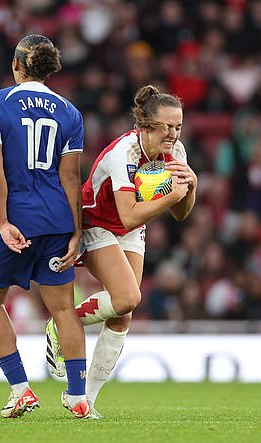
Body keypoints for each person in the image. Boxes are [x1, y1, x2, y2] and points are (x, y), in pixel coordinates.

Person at [45, 84, 197, 418]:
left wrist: (191, 187)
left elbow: (181, 214)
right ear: (145, 126)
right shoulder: (123, 154)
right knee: (128, 297)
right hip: (96, 221)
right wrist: (172, 195)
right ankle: (63, 322)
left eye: (178, 126)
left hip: (130, 229)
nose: (173, 134)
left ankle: (85, 399)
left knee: (123, 313)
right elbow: (128, 212)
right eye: (167, 127)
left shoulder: (177, 153)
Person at [0, 34, 89, 419]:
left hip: (13, 219)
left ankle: (21, 389)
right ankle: (78, 397)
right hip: (57, 222)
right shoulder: (71, 113)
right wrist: (76, 231)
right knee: (63, 311)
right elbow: (71, 178)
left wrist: (3, 222)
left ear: (17, 66)